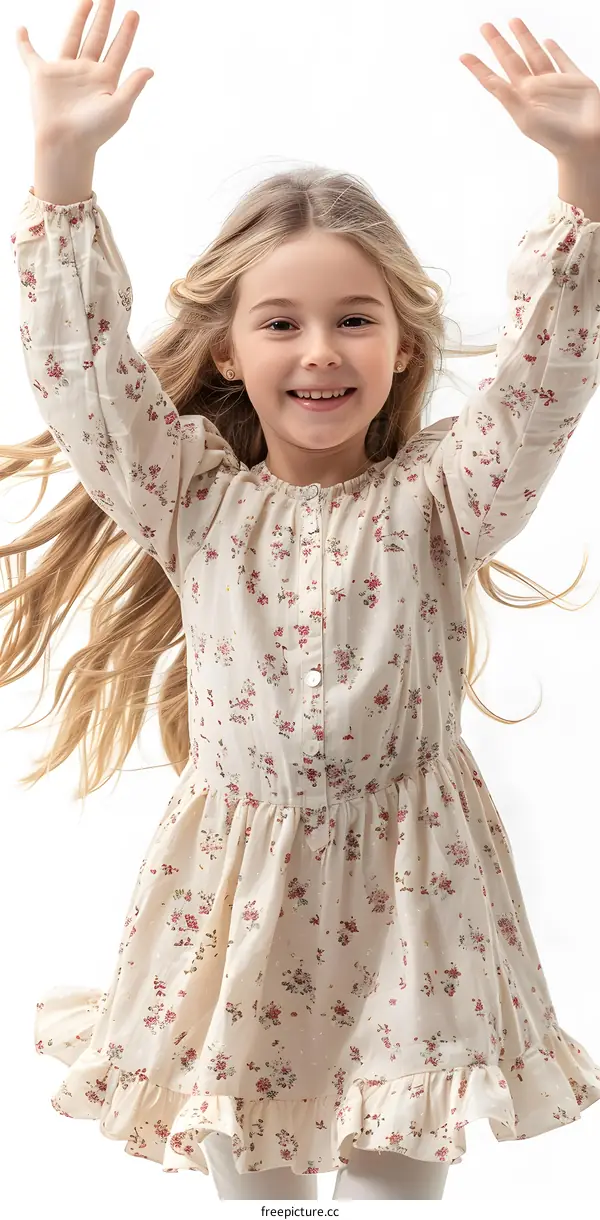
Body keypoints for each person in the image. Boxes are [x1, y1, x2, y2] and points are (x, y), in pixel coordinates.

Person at [5, 0, 600, 1202]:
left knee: (386, 1199)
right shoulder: (195, 501)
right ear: (229, 350)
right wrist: (62, 167)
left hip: (413, 899)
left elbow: (541, 386)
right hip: (233, 912)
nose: (319, 349)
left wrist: (583, 179)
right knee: (269, 1202)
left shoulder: (443, 499)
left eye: (354, 319)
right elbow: (88, 385)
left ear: (398, 344)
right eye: (281, 322)